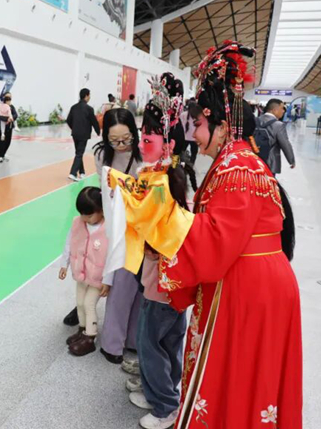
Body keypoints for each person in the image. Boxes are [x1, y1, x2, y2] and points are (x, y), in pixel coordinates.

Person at [105, 41, 302, 429]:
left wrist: (157, 212)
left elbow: (212, 240)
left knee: (239, 378)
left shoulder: (237, 169)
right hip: (247, 283)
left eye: (197, 124)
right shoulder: (235, 162)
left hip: (250, 290)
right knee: (238, 379)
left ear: (223, 125)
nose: (193, 134)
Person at [121, 76, 192, 429]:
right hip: (169, 279)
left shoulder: (161, 182)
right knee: (168, 338)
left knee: (151, 342)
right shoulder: (165, 175)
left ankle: (165, 405)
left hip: (161, 280)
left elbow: (142, 216)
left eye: (147, 137)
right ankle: (161, 393)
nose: (141, 142)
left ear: (165, 143)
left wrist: (119, 189)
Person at [61, 108, 143, 358]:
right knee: (97, 267)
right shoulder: (101, 154)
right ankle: (86, 315)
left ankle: (119, 337)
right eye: (114, 140)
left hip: (137, 223)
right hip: (113, 220)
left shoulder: (144, 156)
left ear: (135, 134)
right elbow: (104, 190)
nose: (120, 145)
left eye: (126, 139)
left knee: (126, 285)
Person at [59, 186, 113, 357]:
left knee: (89, 304)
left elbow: (113, 255)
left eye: (89, 215)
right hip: (81, 273)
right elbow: (69, 243)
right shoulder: (78, 223)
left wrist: (108, 280)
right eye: (82, 214)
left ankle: (90, 337)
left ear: (102, 211)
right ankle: (82, 330)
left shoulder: (109, 228)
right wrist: (64, 264)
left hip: (98, 277)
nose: (85, 219)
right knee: (80, 302)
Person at [66, 88, 101, 181]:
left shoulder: (73, 107)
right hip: (83, 134)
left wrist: (74, 128)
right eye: (89, 95)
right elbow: (94, 121)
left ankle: (82, 172)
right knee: (79, 153)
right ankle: (73, 173)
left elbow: (68, 120)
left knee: (78, 153)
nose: (90, 97)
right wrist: (98, 131)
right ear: (86, 96)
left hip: (75, 134)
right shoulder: (89, 109)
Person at [256, 98, 296, 175]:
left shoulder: (256, 120)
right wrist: (291, 161)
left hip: (255, 160)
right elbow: (285, 144)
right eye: (282, 108)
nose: (283, 111)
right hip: (270, 162)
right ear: (274, 110)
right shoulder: (279, 125)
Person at [0, 95, 14, 162]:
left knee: (8, 141)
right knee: (2, 141)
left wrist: (11, 118)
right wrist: (7, 119)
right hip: (3, 125)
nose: (10, 102)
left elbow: (15, 114)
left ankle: (3, 154)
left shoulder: (11, 106)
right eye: (9, 100)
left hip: (9, 126)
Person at [179, 99, 198, 166]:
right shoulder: (197, 116)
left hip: (184, 137)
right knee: (194, 153)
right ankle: (191, 165)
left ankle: (182, 164)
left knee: (182, 151)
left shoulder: (182, 115)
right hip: (194, 139)